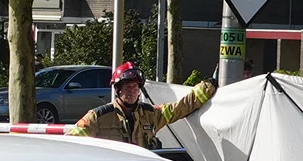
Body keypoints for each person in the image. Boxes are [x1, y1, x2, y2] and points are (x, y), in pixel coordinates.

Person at [73, 61, 216, 148]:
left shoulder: (151, 114)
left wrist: (208, 87)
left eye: (135, 87)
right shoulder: (97, 117)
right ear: (118, 89)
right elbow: (70, 142)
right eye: (128, 86)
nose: (132, 91)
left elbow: (181, 107)